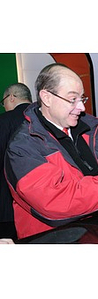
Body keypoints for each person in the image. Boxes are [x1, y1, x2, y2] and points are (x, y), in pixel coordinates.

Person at [4, 63, 98, 239]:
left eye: (82, 99)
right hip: (55, 239)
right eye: (72, 99)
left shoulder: (82, 129)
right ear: (46, 97)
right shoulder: (23, 147)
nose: (82, 108)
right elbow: (54, 201)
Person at [0, 83, 32, 239]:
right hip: (43, 205)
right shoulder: (45, 118)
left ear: (11, 97)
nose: (4, 105)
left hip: (8, 206)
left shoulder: (4, 121)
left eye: (3, 101)